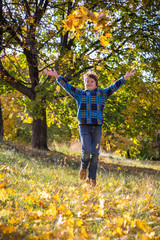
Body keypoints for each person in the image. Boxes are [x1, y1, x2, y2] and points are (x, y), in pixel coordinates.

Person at [46, 68, 136, 186]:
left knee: (95, 154)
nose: (89, 83)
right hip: (84, 127)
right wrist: (57, 76)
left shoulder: (102, 94)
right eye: (87, 82)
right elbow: (68, 87)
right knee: (87, 151)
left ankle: (92, 179)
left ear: (96, 83)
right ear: (85, 83)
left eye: (91, 82)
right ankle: (83, 167)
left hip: (97, 127)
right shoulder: (80, 94)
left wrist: (125, 78)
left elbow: (113, 87)